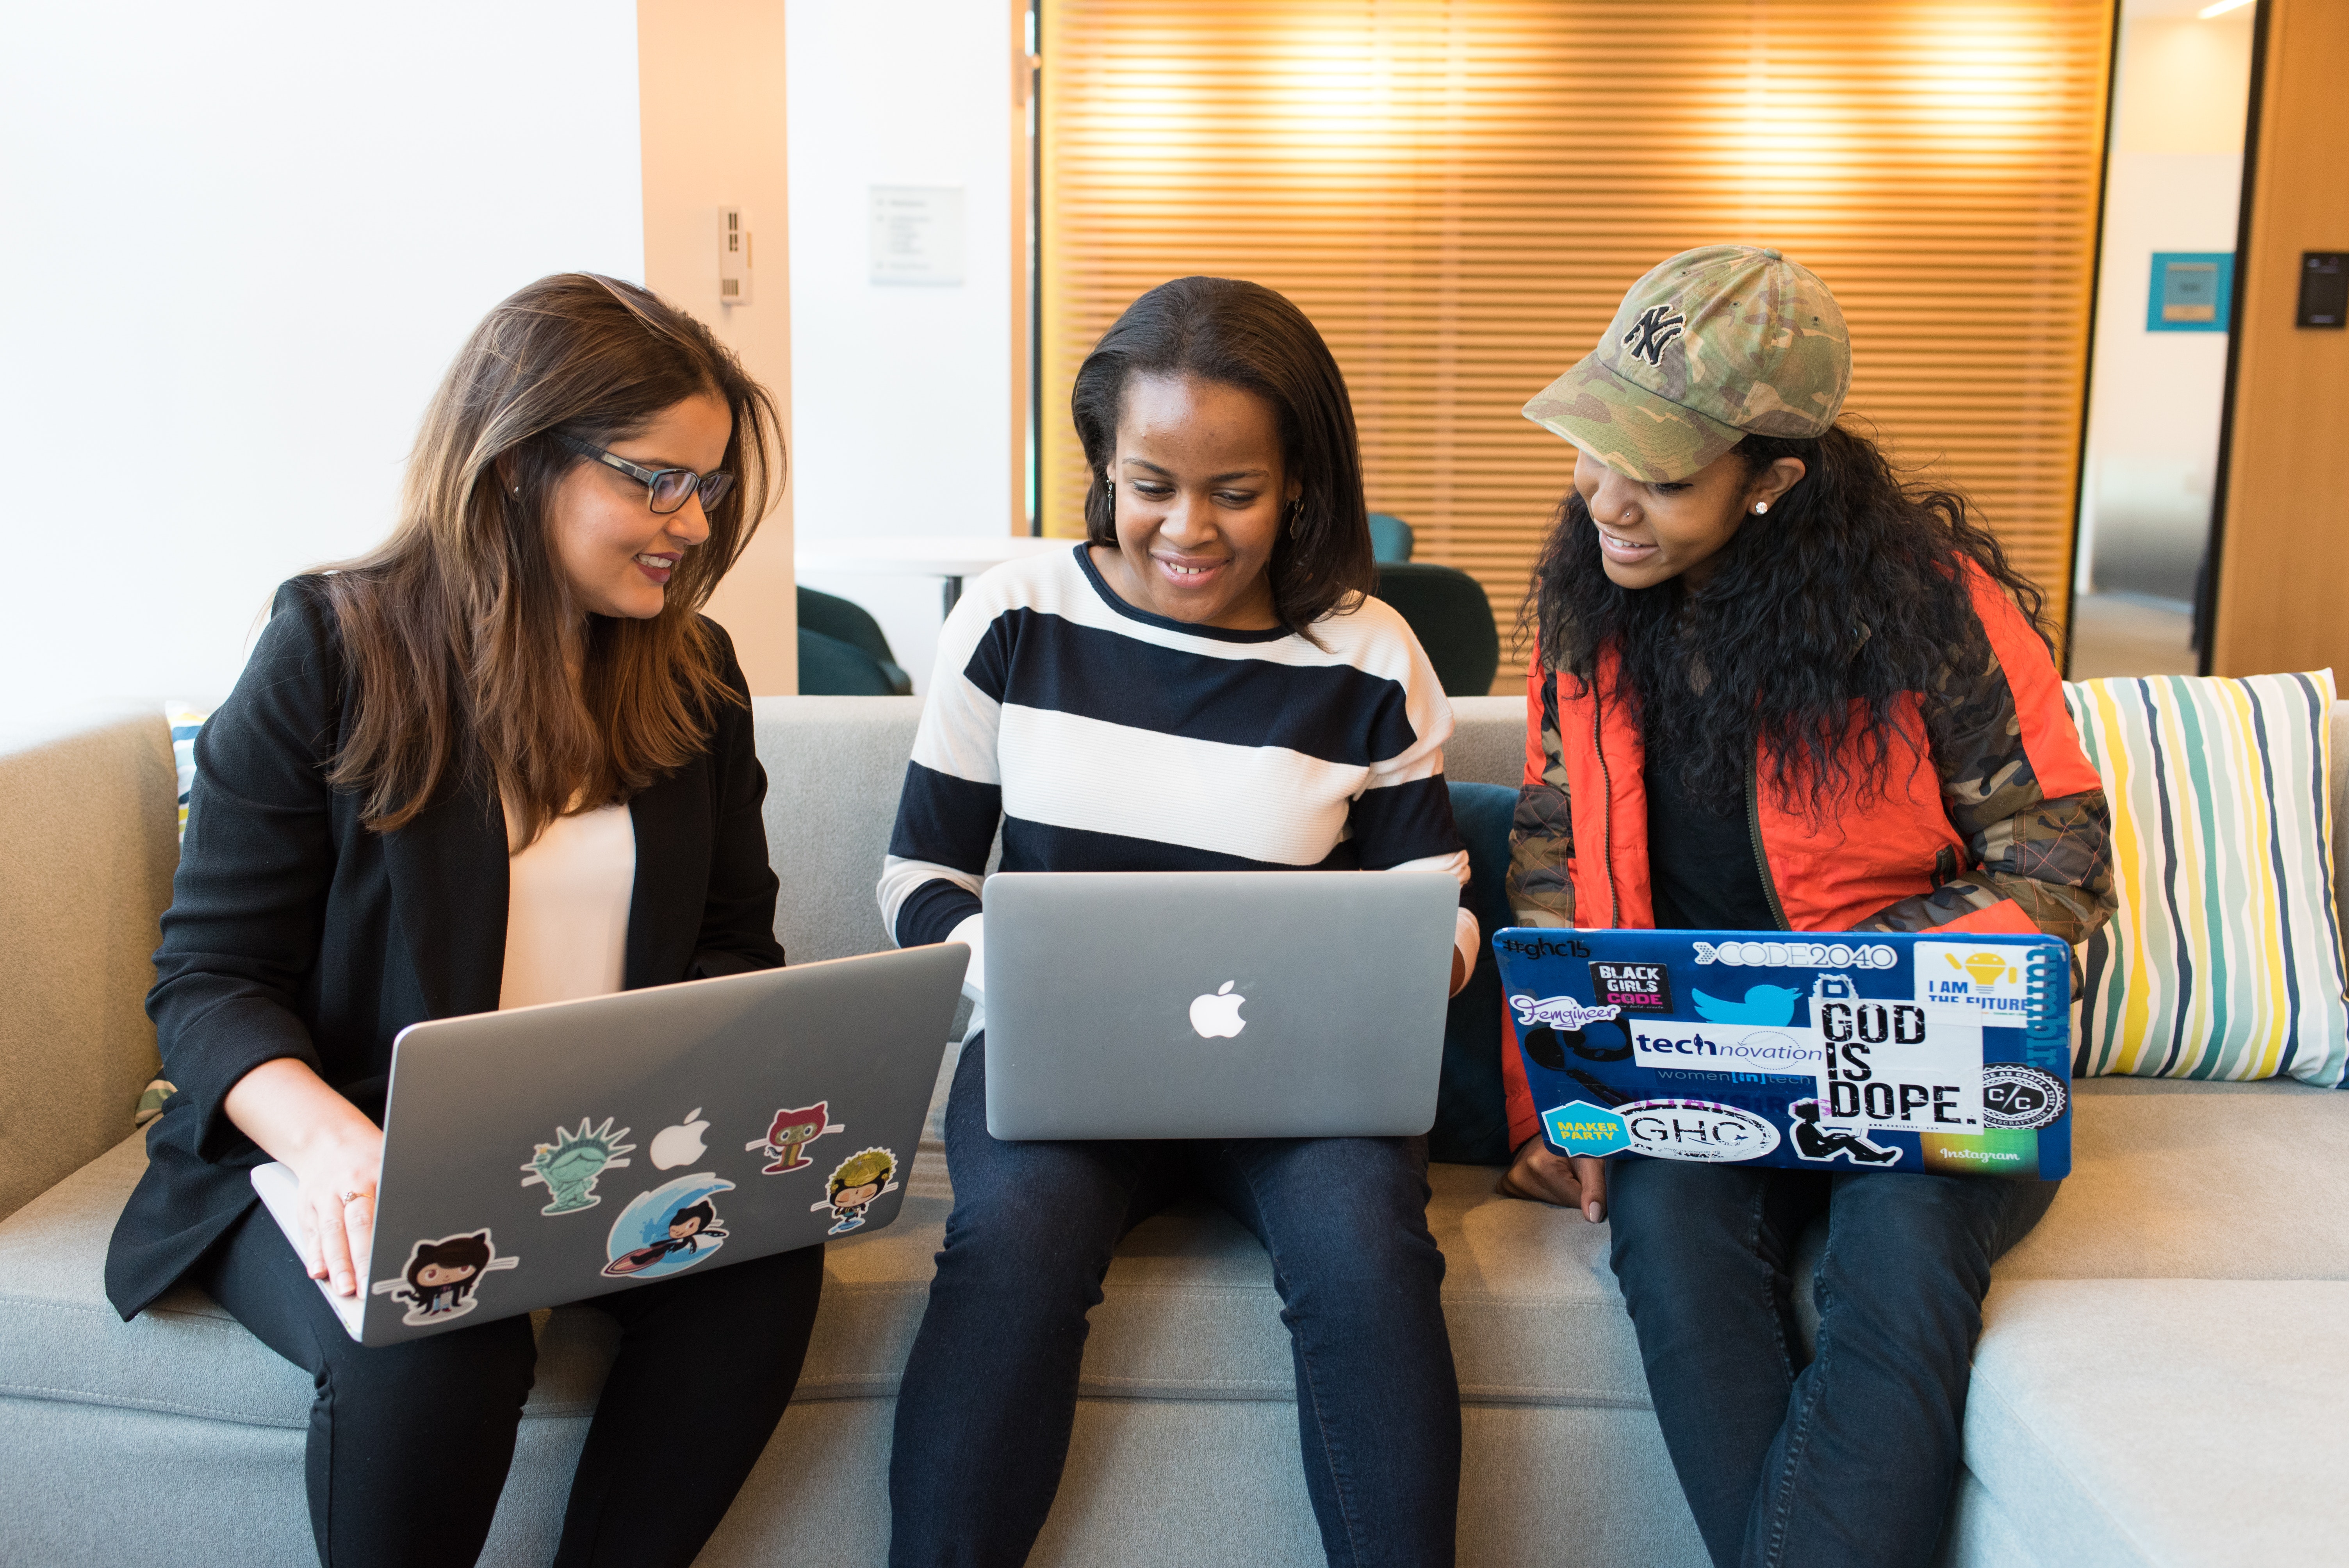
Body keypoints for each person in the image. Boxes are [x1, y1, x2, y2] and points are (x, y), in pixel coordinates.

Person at [103, 273, 821, 1568]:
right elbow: (208, 981)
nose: (690, 521)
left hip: (599, 1155)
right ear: (515, 463)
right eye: (655, 479)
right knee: (448, 1323)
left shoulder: (695, 672)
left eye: (709, 486)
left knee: (760, 1281)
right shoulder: (331, 647)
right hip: (337, 1155)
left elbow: (732, 949)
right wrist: (335, 1150)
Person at [1497, 246, 2114, 1568]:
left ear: (1774, 480)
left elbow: (2056, 858)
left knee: (1898, 1257)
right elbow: (1552, 852)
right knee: (1665, 1238)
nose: (1606, 498)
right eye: (1596, 448)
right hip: (1701, 1066)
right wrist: (1567, 1100)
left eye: (1658, 476)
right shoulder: (1586, 614)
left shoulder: (1936, 614)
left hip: (1932, 1060)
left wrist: (1842, 983)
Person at [879, 275, 1476, 1568]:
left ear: (1303, 480)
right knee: (1011, 1246)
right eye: (1151, 483)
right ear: (1103, 467)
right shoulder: (1017, 615)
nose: (1187, 530)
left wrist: (1424, 956)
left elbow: (1435, 894)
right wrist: (1017, 972)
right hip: (1060, 1067)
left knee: (1370, 1256)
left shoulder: (1368, 657)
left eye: (1236, 493)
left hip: (1303, 1080)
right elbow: (919, 876)